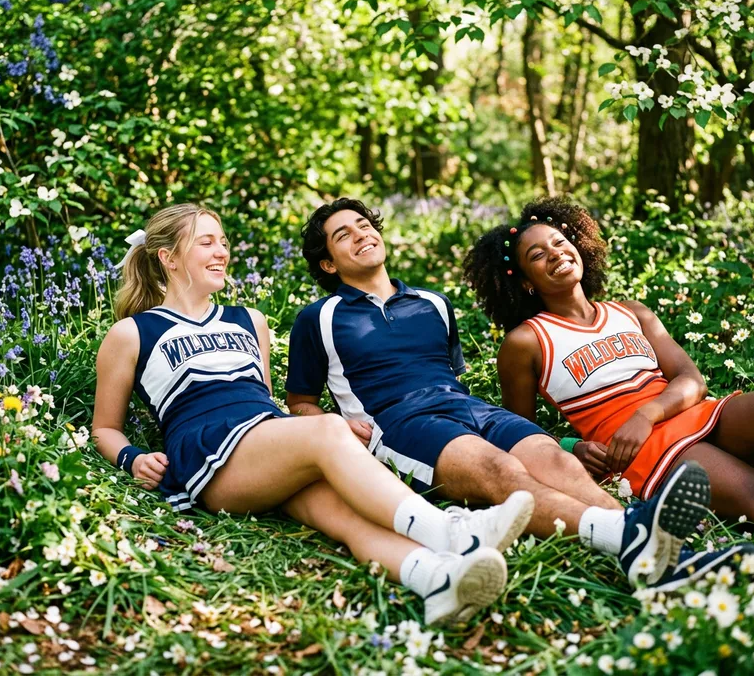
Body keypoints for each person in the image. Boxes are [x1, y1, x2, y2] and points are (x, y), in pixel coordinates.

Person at [91, 204, 544, 628]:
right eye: (207, 242)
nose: (222, 251)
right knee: (328, 426)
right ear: (169, 258)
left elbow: (264, 402)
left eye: (224, 241)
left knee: (346, 514)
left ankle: (435, 579)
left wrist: (303, 437)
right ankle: (449, 531)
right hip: (209, 454)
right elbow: (104, 428)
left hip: (264, 445)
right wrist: (131, 457)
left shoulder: (251, 320)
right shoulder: (132, 332)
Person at [286, 198, 754, 593]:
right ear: (328, 263)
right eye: (343, 235)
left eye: (364, 225)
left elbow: (451, 375)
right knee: (500, 470)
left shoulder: (433, 304)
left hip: (468, 408)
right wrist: (341, 425)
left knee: (556, 461)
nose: (360, 235)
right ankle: (635, 540)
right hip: (402, 422)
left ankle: (658, 553)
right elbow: (301, 401)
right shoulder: (319, 318)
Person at [464, 196, 754, 526]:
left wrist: (646, 414)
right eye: (537, 255)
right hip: (639, 451)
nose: (555, 253)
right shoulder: (526, 341)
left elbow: (691, 380)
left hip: (692, 413)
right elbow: (518, 432)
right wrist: (569, 446)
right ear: (525, 281)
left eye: (560, 242)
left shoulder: (632, 312)